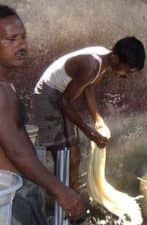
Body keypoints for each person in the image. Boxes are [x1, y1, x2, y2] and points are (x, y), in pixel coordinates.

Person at [0, 5, 85, 225]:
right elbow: (16, 152)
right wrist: (61, 191)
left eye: (23, 37)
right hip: (11, 196)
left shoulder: (7, 87)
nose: (22, 45)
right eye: (11, 39)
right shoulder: (1, 93)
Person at [33, 36, 145, 190]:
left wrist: (98, 119)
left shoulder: (104, 60)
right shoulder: (91, 65)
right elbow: (63, 102)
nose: (126, 75)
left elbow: (89, 87)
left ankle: (72, 200)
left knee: (74, 156)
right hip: (48, 97)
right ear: (116, 57)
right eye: (127, 70)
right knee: (63, 156)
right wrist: (89, 132)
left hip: (61, 98)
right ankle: (63, 203)